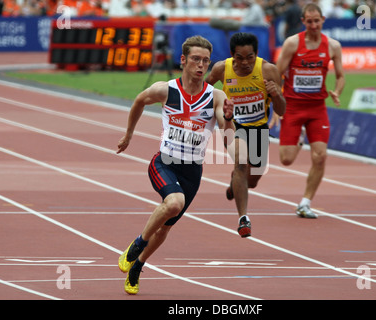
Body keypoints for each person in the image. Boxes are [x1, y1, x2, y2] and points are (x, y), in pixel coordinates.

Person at [116, 35, 234, 295]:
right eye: (195, 59)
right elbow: (138, 101)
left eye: (205, 61)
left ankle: (138, 265)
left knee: (166, 226)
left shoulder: (216, 96)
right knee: (173, 203)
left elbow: (227, 136)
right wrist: (129, 135)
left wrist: (227, 118)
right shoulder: (166, 90)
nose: (201, 65)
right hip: (164, 163)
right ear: (183, 60)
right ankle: (136, 245)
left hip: (192, 171)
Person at [206, 32, 285, 237]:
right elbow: (204, 90)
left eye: (250, 57)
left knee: (253, 180)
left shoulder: (269, 71)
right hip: (233, 125)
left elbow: (282, 110)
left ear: (256, 55)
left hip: (259, 129)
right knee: (241, 162)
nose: (245, 62)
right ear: (232, 56)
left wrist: (275, 94)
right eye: (239, 57)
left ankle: (236, 182)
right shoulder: (222, 69)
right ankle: (243, 218)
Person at [275, 3, 345, 219]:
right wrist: (277, 106)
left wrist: (337, 91)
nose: (314, 25)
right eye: (310, 21)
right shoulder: (292, 43)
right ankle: (299, 140)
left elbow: (341, 75)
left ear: (323, 20)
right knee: (286, 160)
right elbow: (277, 76)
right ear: (303, 21)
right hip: (293, 107)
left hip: (317, 108)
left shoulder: (333, 46)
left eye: (317, 21)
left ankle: (305, 203)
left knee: (321, 156)